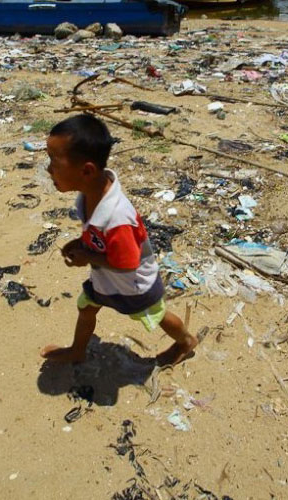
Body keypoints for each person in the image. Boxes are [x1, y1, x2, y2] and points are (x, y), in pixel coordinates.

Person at [38, 114, 198, 366]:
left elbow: (127, 263)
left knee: (157, 314)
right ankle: (77, 351)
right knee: (86, 308)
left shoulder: (117, 218)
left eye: (53, 162)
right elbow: (96, 232)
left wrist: (88, 257)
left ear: (86, 170)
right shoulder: (88, 195)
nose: (49, 169)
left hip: (133, 285)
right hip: (106, 279)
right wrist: (81, 243)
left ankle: (186, 342)